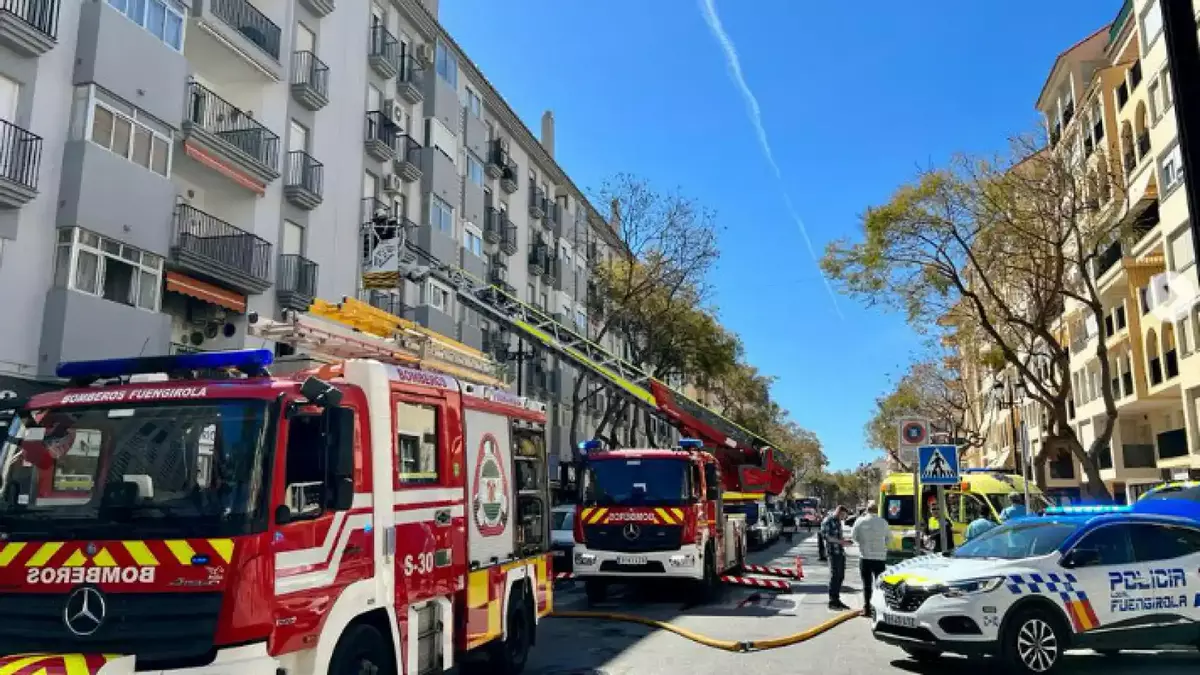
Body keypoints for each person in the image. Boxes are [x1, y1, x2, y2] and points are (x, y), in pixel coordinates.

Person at [850, 500, 889, 618]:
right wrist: (882, 546)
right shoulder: (883, 522)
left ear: (867, 509)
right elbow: (889, 538)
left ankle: (867, 609)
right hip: (880, 558)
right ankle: (879, 610)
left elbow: (854, 537)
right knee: (879, 585)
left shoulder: (860, 521)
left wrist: (863, 543)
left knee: (866, 585)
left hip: (865, 557)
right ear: (877, 510)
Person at [821, 505, 852, 611]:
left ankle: (837, 599)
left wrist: (845, 541)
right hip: (833, 552)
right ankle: (832, 601)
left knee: (840, 576)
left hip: (840, 552)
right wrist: (842, 542)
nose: (844, 518)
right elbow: (828, 537)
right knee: (834, 576)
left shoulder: (838, 521)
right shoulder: (828, 521)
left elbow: (837, 536)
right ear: (839, 512)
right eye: (843, 515)